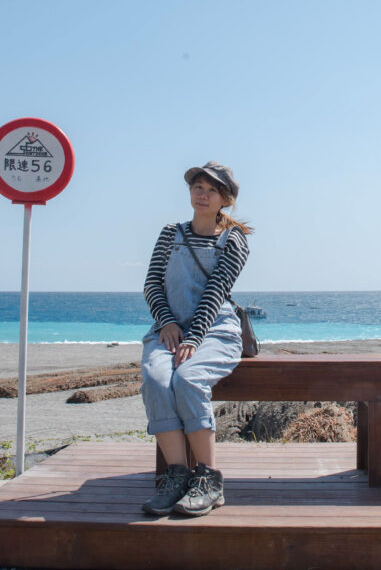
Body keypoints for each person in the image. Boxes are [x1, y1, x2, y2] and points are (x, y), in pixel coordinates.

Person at [139, 161, 253, 517]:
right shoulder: (170, 232)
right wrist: (168, 323)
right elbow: (152, 284)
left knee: (188, 379)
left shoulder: (233, 240)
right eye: (197, 187)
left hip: (215, 329)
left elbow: (216, 291)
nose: (202, 195)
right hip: (169, 329)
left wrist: (194, 337)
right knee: (157, 379)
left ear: (225, 200)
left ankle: (209, 479)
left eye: (212, 190)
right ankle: (176, 475)